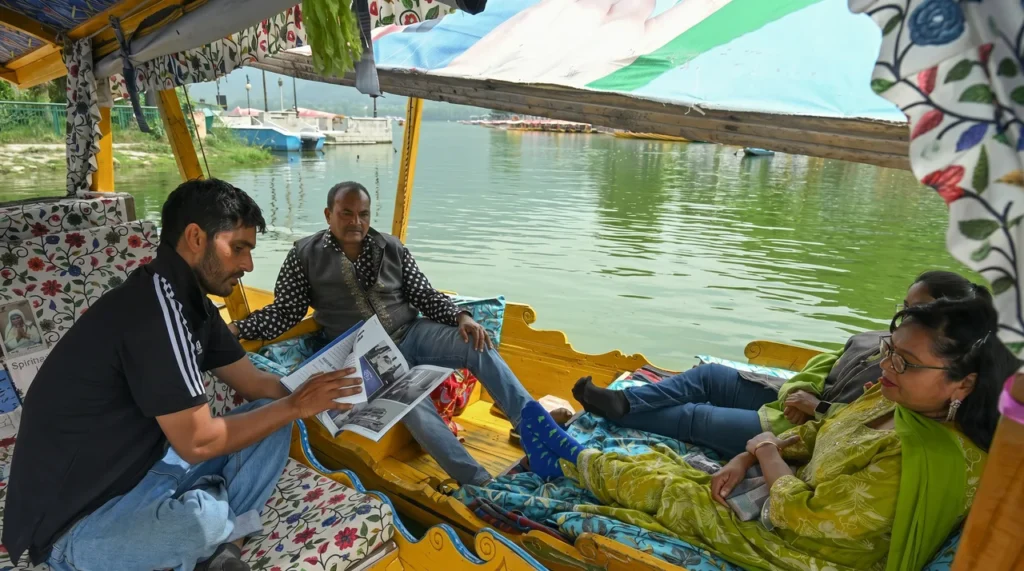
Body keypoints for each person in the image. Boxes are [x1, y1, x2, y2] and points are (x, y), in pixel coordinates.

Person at [3, 179, 362, 571]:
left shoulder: (192, 304)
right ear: (195, 238)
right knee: (197, 526)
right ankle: (217, 523)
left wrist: (328, 390)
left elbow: (256, 384)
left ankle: (226, 539)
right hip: (78, 519)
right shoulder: (152, 314)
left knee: (272, 420)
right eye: (238, 248)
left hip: (148, 468)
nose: (248, 265)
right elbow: (198, 442)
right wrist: (295, 405)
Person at [519, 293, 1015, 570]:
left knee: (672, 490)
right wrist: (749, 457)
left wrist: (763, 451)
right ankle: (581, 451)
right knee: (682, 471)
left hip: (809, 552)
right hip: (785, 495)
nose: (885, 366)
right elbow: (821, 431)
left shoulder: (929, 458)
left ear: (964, 383)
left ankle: (567, 458)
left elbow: (808, 518)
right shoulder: (895, 400)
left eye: (904, 362)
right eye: (889, 350)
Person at [228, 181, 533, 486]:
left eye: (363, 214)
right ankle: (478, 482)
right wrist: (240, 328)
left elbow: (424, 295)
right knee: (409, 403)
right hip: (367, 356)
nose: (356, 222)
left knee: (476, 342)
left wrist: (461, 317)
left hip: (412, 333)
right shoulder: (304, 255)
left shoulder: (391, 247)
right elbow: (286, 311)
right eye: (346, 213)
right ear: (328, 214)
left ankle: (534, 432)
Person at [573, 270, 982, 458]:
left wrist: (816, 408)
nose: (905, 317)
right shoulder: (882, 338)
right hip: (791, 401)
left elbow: (867, 421)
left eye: (919, 311)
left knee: (697, 416)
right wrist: (799, 390)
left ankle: (621, 413)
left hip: (805, 429)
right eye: (905, 306)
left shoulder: (923, 374)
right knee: (710, 375)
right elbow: (824, 361)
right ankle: (627, 402)